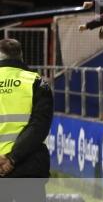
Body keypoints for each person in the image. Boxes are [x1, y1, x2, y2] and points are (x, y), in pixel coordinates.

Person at [0, 39, 53, 201]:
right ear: (20, 56)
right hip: (28, 167)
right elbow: (39, 126)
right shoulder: (39, 82)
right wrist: (12, 158)